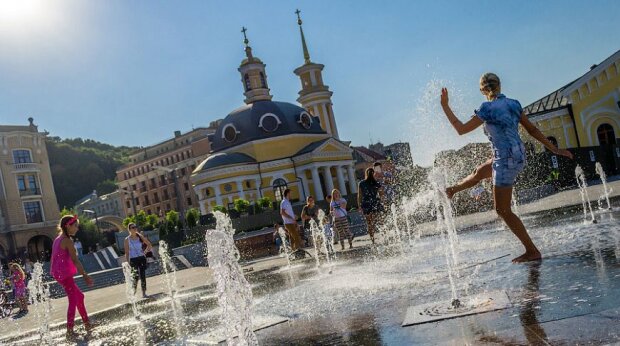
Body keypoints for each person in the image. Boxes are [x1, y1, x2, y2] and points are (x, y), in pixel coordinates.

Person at [440, 72, 573, 263]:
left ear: (482, 90)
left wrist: (445, 106)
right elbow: (532, 130)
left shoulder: (486, 108)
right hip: (517, 155)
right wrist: (554, 149)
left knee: (502, 210)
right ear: (499, 85)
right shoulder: (513, 104)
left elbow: (461, 130)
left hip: (506, 160)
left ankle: (532, 250)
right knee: (480, 171)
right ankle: (452, 190)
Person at [50, 215, 94, 334]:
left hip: (59, 273)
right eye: (75, 226)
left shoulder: (58, 238)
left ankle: (87, 324)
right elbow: (75, 260)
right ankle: (70, 330)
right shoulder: (67, 240)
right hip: (64, 275)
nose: (77, 228)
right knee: (73, 300)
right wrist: (85, 275)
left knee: (79, 297)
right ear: (68, 226)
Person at [124, 223, 152, 298]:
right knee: (135, 276)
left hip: (142, 258)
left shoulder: (140, 236)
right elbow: (126, 253)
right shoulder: (127, 239)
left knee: (143, 275)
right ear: (129, 229)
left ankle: (144, 293)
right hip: (133, 259)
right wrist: (128, 262)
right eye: (133, 227)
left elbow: (149, 244)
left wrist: (145, 252)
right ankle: (133, 293)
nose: (135, 228)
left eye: (135, 227)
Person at [358, 167, 383, 244]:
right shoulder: (377, 183)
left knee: (369, 223)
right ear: (373, 173)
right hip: (375, 203)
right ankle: (383, 235)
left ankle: (372, 240)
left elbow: (359, 195)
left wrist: (359, 206)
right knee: (379, 221)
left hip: (366, 204)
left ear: (366, 173)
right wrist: (382, 202)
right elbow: (381, 194)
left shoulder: (361, 183)